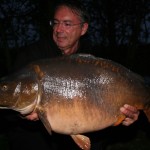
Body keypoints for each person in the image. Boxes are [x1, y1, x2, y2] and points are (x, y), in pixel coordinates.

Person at [5, 0, 139, 150]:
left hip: (84, 129)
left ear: (83, 28)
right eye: (55, 23)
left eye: (67, 24)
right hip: (38, 139)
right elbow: (9, 108)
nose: (58, 29)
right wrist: (22, 115)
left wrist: (127, 119)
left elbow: (109, 110)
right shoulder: (31, 57)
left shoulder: (95, 62)